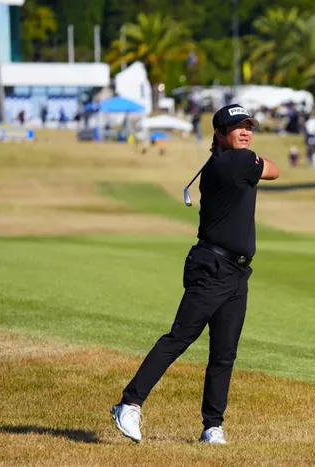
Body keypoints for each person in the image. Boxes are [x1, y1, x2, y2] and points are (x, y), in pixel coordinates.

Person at [110, 104, 280, 445]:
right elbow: (274, 171)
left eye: (249, 127)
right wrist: (255, 160)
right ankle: (129, 403)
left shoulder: (226, 161)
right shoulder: (239, 162)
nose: (246, 132)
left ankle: (212, 426)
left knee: (224, 352)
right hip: (213, 267)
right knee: (180, 337)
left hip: (235, 271)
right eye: (238, 127)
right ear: (220, 133)